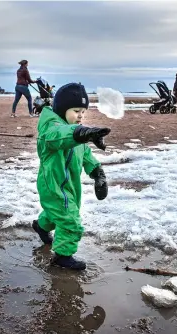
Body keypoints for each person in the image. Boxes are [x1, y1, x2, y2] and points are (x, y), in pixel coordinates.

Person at [32, 82, 111, 271]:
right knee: (70, 220)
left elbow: (86, 155)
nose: (81, 116)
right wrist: (81, 133)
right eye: (76, 111)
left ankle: (41, 226)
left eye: (83, 112)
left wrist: (97, 173)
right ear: (62, 108)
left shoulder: (76, 133)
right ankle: (63, 256)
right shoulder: (51, 129)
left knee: (55, 214)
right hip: (53, 185)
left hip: (70, 186)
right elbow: (61, 135)